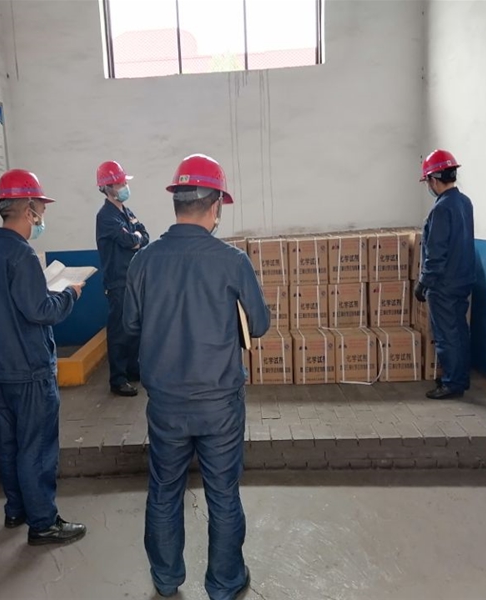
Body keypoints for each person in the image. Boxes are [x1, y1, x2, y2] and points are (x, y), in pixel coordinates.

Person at [124, 154, 270, 599]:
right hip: (219, 402)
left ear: (177, 203)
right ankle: (224, 583)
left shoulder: (143, 261)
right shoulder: (232, 261)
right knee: (222, 493)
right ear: (216, 206)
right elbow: (259, 325)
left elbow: (130, 324)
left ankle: (166, 578)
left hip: (166, 402)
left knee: (164, 490)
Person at [0, 169, 88, 546]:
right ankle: (43, 522)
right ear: (29, 210)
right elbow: (41, 311)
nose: (42, 217)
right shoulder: (21, 254)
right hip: (29, 367)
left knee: (10, 442)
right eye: (41, 209)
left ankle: (16, 509)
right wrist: (69, 294)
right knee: (36, 446)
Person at [414, 149, 476, 400]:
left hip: (444, 284)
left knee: (446, 335)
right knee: (459, 331)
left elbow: (436, 252)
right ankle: (458, 377)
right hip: (463, 279)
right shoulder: (464, 202)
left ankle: (452, 383)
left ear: (433, 179)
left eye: (427, 180)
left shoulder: (441, 209)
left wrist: (423, 283)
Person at [95, 160, 149, 397]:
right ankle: (117, 379)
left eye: (124, 182)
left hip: (132, 279)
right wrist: (135, 238)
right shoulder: (106, 216)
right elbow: (130, 241)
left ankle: (132, 369)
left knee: (134, 327)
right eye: (120, 183)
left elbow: (144, 236)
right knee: (119, 331)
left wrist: (136, 237)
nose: (125, 187)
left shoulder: (126, 212)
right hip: (118, 282)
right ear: (107, 188)